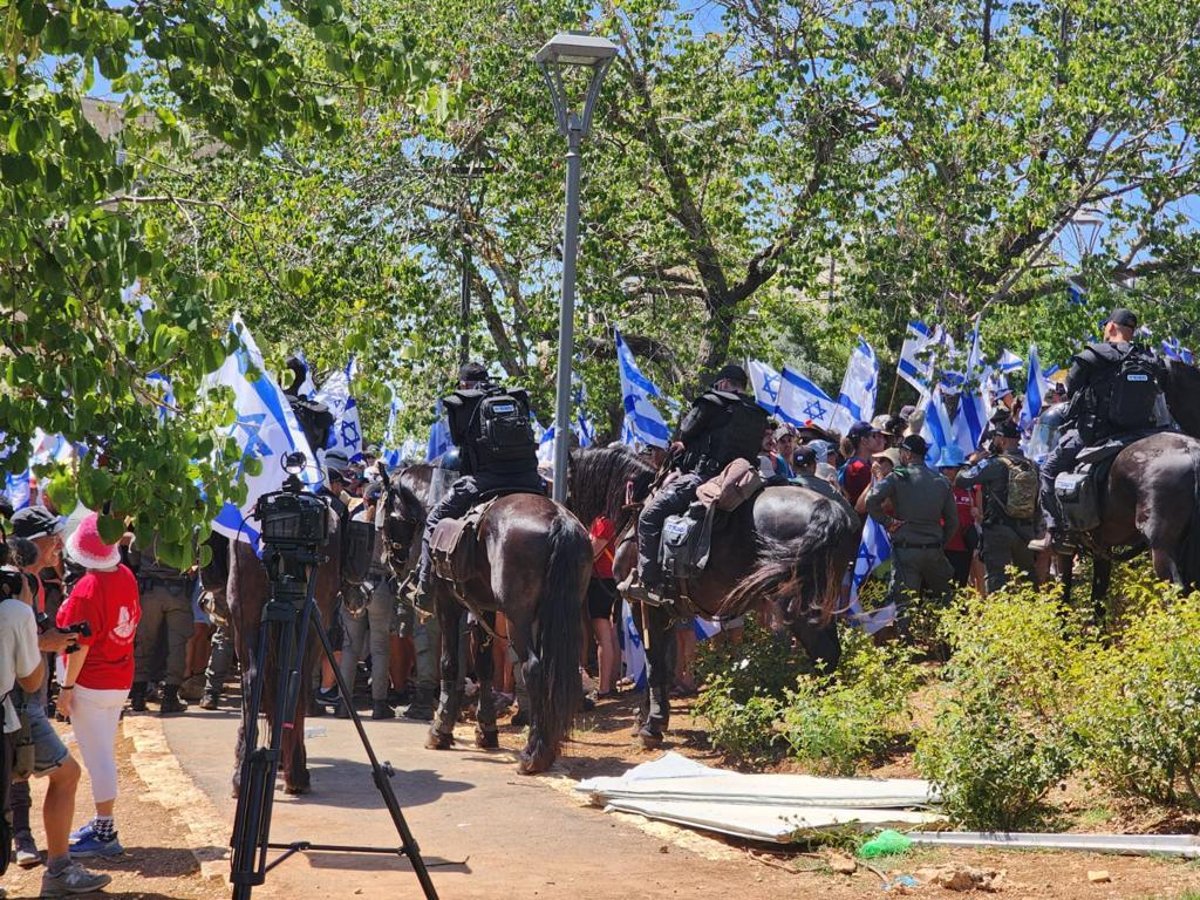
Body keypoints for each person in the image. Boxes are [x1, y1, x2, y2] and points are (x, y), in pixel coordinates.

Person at [621, 364, 768, 604]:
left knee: (648, 516)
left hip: (705, 477)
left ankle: (650, 583)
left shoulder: (712, 401)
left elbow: (686, 431)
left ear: (722, 384)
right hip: (744, 482)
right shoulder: (758, 413)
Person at [403, 362, 543, 612]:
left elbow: (460, 444)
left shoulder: (461, 402)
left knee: (433, 519)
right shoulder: (517, 397)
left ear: (463, 383)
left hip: (485, 480)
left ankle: (424, 588)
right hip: (530, 480)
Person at [1032, 308, 1166, 551]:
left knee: (1049, 469)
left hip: (1096, 434)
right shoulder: (1147, 357)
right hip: (1142, 433)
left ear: (1112, 327)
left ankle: (1055, 534)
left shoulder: (1093, 355)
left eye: (1106, 326)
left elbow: (1072, 387)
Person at [56, 512, 142, 859]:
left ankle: (105, 830)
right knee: (103, 751)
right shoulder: (125, 575)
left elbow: (80, 643)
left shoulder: (87, 589)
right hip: (119, 677)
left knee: (98, 757)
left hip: (91, 682)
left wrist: (66, 687)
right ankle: (102, 825)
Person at [865, 434, 958, 609]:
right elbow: (953, 522)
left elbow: (871, 500)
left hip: (906, 551)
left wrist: (887, 521)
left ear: (907, 454)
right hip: (934, 551)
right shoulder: (942, 481)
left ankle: (907, 636)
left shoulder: (897, 478)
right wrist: (940, 543)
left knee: (906, 606)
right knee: (946, 603)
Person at [335, 484, 397, 720]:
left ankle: (343, 703)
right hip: (381, 587)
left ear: (364, 498)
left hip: (354, 586)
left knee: (350, 647)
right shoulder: (389, 526)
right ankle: (379, 704)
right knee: (380, 648)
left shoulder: (355, 520)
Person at [956, 420, 1040, 591]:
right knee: (1028, 580)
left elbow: (961, 480)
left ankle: (999, 616)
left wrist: (971, 462)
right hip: (1026, 530)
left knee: (997, 580)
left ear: (1002, 440)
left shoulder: (994, 463)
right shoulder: (1032, 465)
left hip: (998, 531)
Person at [127, 539, 191, 715]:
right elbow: (193, 556)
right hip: (177, 590)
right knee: (177, 645)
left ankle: (138, 694)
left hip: (149, 590)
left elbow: (133, 555)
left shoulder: (146, 525)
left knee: (143, 642)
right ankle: (170, 696)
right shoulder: (186, 525)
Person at [936, 448, 978, 588]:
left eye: (949, 467)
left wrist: (977, 514)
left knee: (959, 589)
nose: (945, 471)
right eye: (943, 468)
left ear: (960, 469)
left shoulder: (971, 490)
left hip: (963, 549)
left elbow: (981, 518)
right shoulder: (937, 489)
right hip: (941, 548)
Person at [790, 444, 852, 510]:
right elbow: (849, 513)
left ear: (793, 467)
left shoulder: (784, 485)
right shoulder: (828, 488)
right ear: (814, 465)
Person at [840, 421, 886, 506]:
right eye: (873, 436)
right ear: (864, 441)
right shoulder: (859, 467)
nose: (876, 439)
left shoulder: (860, 463)